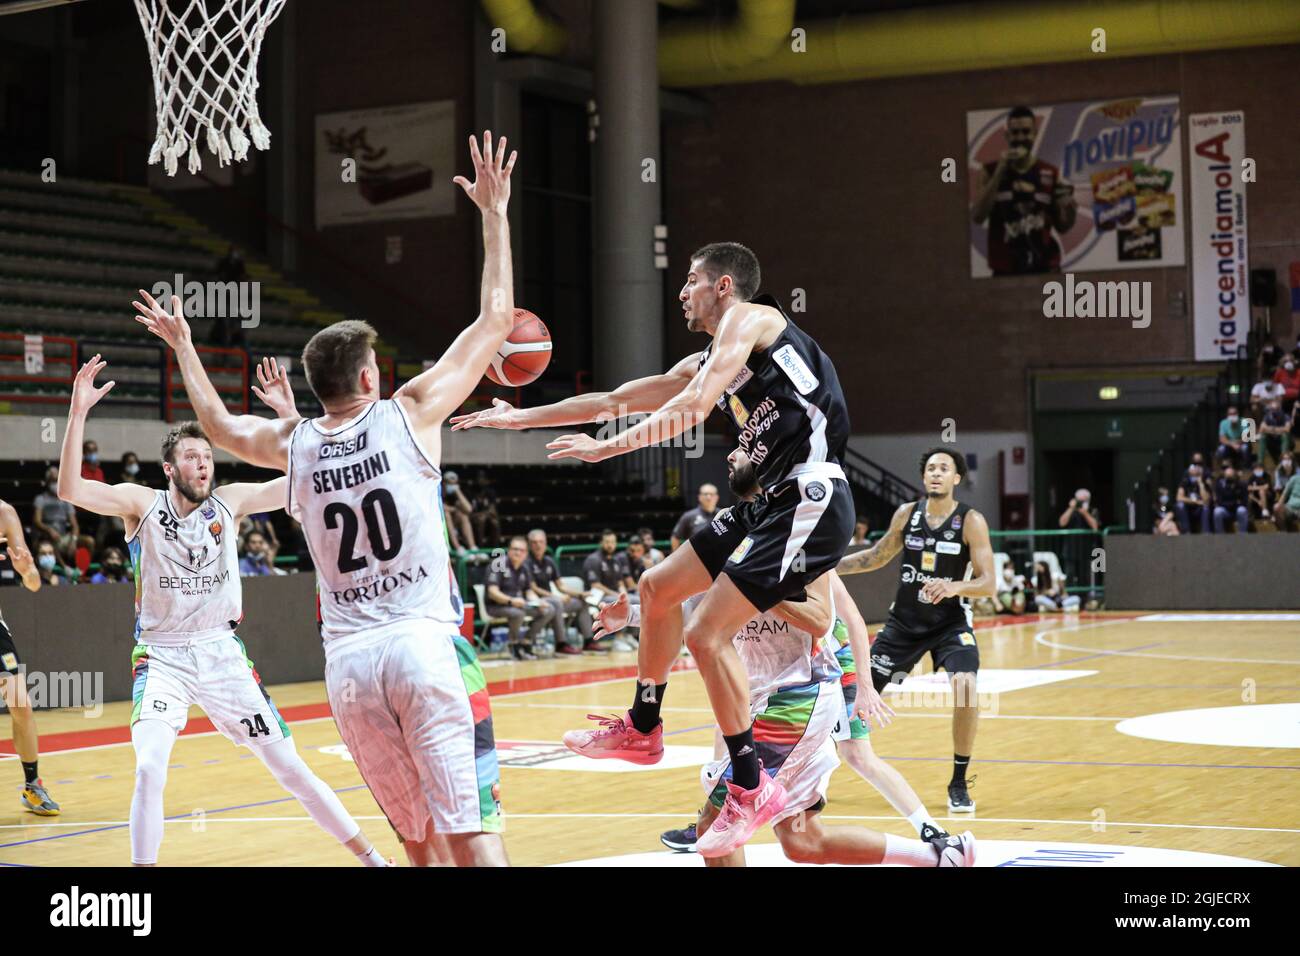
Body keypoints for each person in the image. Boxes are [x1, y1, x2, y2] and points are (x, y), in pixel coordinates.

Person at [136, 130, 518, 866]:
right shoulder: (410, 411)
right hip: (423, 645)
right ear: (369, 379)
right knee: (474, 835)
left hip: (347, 670)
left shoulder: (295, 444)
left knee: (421, 842)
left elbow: (213, 424)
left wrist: (183, 346)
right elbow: (496, 321)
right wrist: (494, 215)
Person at [453, 241, 855, 855]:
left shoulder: (753, 319)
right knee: (657, 588)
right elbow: (613, 400)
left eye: (691, 280)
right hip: (768, 503)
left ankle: (749, 786)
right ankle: (644, 725)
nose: (682, 292)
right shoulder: (713, 358)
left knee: (707, 635)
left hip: (812, 494)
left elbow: (690, 411)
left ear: (724, 286)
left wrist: (607, 449)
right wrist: (520, 420)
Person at [57, 356, 387, 867]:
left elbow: (307, 476)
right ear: (170, 469)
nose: (203, 463)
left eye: (206, 455)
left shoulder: (230, 504)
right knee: (149, 769)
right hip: (161, 659)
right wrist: (78, 412)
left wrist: (288, 414)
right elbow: (70, 490)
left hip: (221, 655)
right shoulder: (141, 505)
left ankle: (372, 860)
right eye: (191, 457)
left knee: (290, 768)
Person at [836, 448, 997, 814]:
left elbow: (989, 584)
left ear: (957, 478)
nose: (936, 474)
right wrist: (828, 567)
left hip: (950, 624)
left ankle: (959, 780)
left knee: (967, 686)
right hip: (904, 624)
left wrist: (955, 586)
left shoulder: (970, 520)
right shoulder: (907, 514)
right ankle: (815, 775)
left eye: (944, 468)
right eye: (930, 469)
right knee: (852, 697)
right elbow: (876, 556)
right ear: (924, 478)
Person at [0, 498, 60, 816]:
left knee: (21, 704)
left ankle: (32, 786)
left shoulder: (5, 514)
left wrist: (27, 571)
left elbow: (34, 583)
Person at [971, 105, 1077, 275]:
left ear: (1035, 134)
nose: (1020, 138)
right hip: (1005, 270)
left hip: (1044, 268)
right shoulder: (989, 170)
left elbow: (1063, 227)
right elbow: (977, 216)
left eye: (1026, 132)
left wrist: (1070, 208)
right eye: (1015, 132)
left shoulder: (1050, 172)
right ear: (1007, 136)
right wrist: (1000, 172)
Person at [486, 535, 557, 661]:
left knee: (548, 610)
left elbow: (528, 591)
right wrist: (511, 601)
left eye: (521, 550)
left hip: (519, 604)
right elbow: (492, 592)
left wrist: (538, 602)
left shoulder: (524, 567)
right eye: (515, 549)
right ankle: (513, 644)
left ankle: (526, 642)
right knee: (518, 613)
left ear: (526, 553)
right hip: (497, 606)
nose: (518, 552)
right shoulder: (499, 564)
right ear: (509, 550)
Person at [524, 528, 590, 654]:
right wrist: (557, 597)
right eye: (534, 542)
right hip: (536, 601)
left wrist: (580, 594)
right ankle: (561, 644)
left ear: (545, 543)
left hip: (552, 600)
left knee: (581, 603)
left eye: (541, 542)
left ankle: (589, 641)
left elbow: (560, 586)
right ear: (529, 544)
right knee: (557, 603)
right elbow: (533, 588)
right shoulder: (526, 562)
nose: (538, 545)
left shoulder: (549, 561)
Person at [32, 466, 78, 562]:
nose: (55, 484)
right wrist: (49, 530)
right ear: (47, 482)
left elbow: (75, 525)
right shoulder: (40, 499)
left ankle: (81, 571)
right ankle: (64, 567)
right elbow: (37, 521)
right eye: (53, 481)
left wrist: (73, 540)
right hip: (47, 535)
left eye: (57, 480)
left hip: (64, 536)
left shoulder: (66, 500)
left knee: (89, 541)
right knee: (49, 540)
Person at [669, 483, 719, 551]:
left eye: (711, 494)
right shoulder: (689, 516)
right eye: (705, 494)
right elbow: (675, 538)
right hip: (696, 558)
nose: (708, 497)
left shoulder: (723, 514)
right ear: (699, 497)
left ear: (717, 497)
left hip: (720, 558)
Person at [441, 470, 478, 552]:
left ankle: (472, 547)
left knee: (463, 516)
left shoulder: (456, 493)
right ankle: (457, 547)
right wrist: (454, 509)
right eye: (449, 483)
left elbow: (469, 509)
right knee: (446, 514)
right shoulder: (438, 492)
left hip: (455, 525)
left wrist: (458, 491)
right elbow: (441, 508)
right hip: (441, 526)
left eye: (454, 484)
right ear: (443, 483)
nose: (452, 486)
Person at [1175, 462, 1211, 534]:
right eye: (1194, 467)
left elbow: (1206, 501)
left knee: (1206, 507)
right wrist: (1195, 502)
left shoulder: (1204, 482)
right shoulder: (1185, 481)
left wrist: (1200, 483)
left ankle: (1206, 533)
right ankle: (1186, 532)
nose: (1196, 469)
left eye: (1198, 468)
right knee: (1180, 505)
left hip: (1199, 510)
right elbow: (1179, 498)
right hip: (1188, 509)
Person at [1213, 465, 1249, 534]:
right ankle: (1220, 534)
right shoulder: (1219, 485)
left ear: (1234, 475)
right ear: (1224, 476)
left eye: (1231, 476)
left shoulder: (1242, 485)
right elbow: (1220, 502)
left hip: (1237, 510)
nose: (1229, 478)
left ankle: (1242, 534)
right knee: (1217, 511)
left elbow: (1244, 501)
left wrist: (1233, 503)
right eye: (1228, 476)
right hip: (1226, 510)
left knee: (1242, 510)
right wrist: (1235, 503)